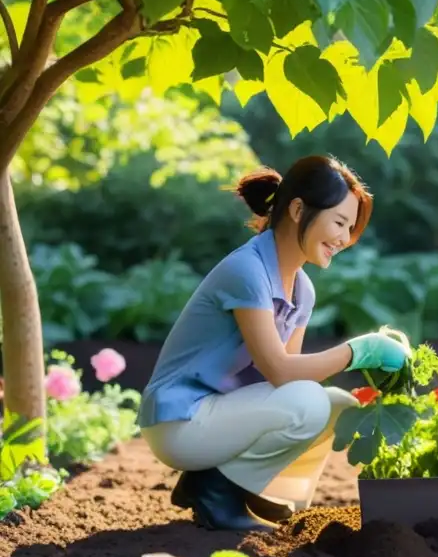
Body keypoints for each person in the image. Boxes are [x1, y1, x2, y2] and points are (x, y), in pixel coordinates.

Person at [138, 155, 410, 533]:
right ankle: (216, 492)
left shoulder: (302, 288)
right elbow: (278, 369)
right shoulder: (247, 270)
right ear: (298, 209)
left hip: (217, 415)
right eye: (339, 222)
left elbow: (286, 383)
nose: (344, 239)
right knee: (310, 402)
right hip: (180, 421)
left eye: (349, 228)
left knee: (338, 406)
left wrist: (358, 356)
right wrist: (358, 352)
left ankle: (248, 486)